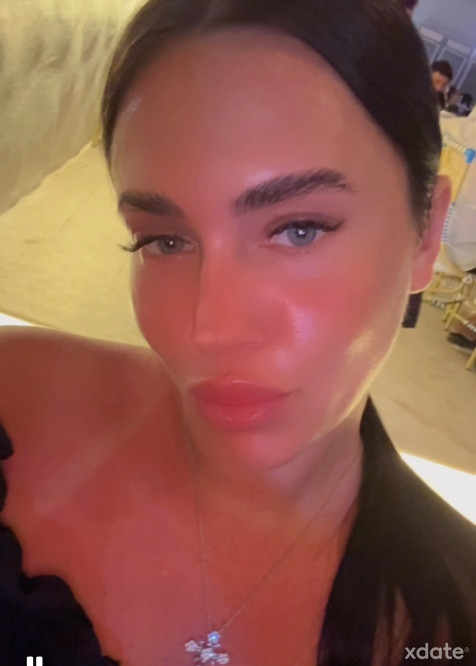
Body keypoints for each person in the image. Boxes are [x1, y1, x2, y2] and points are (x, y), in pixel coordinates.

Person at [0, 1, 475, 665]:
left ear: (425, 233)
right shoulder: (12, 399)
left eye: (299, 230)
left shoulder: (453, 615)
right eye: (165, 240)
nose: (212, 330)